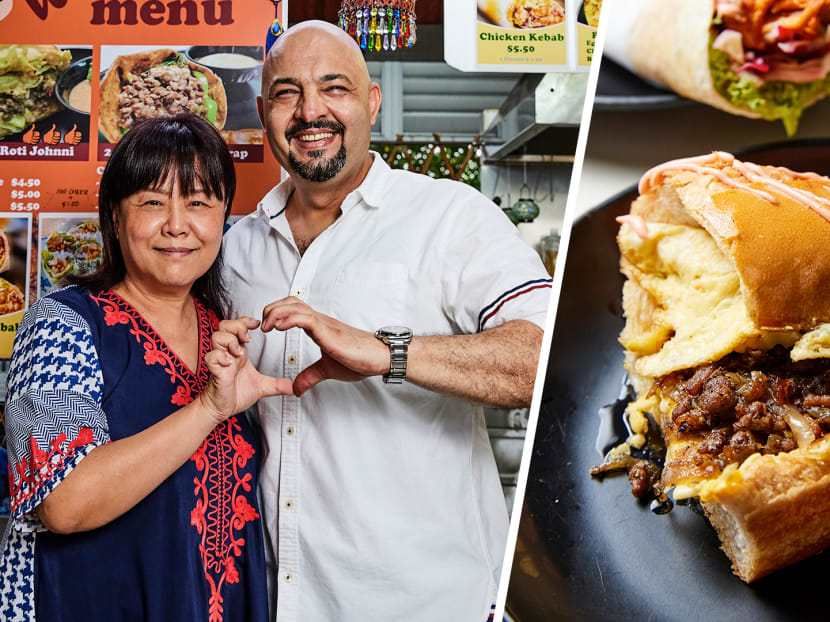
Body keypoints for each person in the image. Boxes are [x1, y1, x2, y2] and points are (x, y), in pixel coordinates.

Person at [222, 20, 552, 621]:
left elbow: (544, 358)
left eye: (335, 88)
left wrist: (388, 351)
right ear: (266, 111)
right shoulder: (233, 249)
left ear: (372, 102)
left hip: (429, 603)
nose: (310, 111)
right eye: (288, 93)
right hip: (279, 602)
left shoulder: (450, 216)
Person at [0, 114, 291, 621]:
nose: (177, 224)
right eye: (153, 201)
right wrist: (207, 410)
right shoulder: (62, 325)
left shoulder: (222, 333)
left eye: (199, 202)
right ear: (115, 216)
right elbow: (64, 503)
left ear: (223, 215)